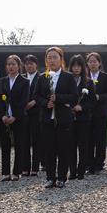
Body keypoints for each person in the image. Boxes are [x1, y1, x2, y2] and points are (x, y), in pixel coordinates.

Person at [38, 47, 77, 188]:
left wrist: (58, 98)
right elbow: (36, 96)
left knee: (63, 148)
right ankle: (50, 177)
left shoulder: (68, 77)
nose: (52, 60)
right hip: (47, 118)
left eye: (55, 57)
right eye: (49, 57)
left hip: (63, 118)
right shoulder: (42, 77)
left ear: (61, 59)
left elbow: (74, 96)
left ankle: (61, 177)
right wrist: (45, 103)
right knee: (49, 149)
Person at [0, 54, 30, 181]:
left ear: (18, 66)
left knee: (19, 144)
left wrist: (15, 116)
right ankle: (6, 172)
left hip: (19, 117)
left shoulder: (24, 81)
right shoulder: (2, 81)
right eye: (9, 64)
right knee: (5, 144)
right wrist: (2, 115)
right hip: (4, 117)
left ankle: (17, 171)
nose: (11, 66)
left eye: (13, 64)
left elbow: (24, 100)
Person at [68, 54, 93, 180]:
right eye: (74, 66)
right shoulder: (66, 80)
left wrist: (82, 107)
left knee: (83, 145)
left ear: (83, 67)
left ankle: (81, 171)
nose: (76, 68)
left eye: (79, 66)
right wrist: (69, 106)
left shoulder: (88, 82)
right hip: (69, 118)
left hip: (83, 119)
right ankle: (72, 171)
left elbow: (92, 101)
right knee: (70, 145)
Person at [86, 52, 107, 174]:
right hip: (87, 112)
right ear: (87, 63)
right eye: (90, 61)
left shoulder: (105, 77)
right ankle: (89, 162)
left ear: (99, 63)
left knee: (100, 138)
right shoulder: (85, 76)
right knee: (88, 138)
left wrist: (99, 97)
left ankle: (99, 163)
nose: (92, 64)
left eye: (94, 61)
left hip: (101, 112)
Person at [22, 54, 42, 177]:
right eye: (27, 64)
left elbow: (44, 93)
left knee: (36, 140)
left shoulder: (42, 77)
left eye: (31, 63)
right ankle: (25, 167)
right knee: (24, 140)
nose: (29, 66)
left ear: (36, 65)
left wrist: (34, 102)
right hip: (23, 113)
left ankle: (35, 167)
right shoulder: (21, 78)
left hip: (37, 112)